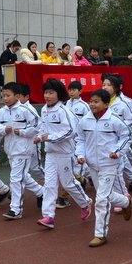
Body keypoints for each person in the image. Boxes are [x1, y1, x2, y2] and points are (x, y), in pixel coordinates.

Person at [76, 89, 132, 247]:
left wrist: (117, 151)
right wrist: (80, 154)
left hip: (109, 164)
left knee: (101, 199)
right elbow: (80, 139)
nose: (92, 104)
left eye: (96, 102)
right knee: (106, 195)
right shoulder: (85, 120)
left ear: (106, 104)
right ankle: (125, 202)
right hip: (92, 165)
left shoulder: (114, 119)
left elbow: (127, 136)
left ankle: (100, 234)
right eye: (91, 101)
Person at [34, 79, 93, 229]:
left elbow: (70, 131)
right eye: (46, 92)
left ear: (58, 94)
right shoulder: (44, 110)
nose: (47, 96)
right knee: (49, 185)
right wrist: (39, 137)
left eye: (51, 93)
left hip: (65, 154)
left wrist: (50, 137)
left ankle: (86, 202)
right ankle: (48, 216)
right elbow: (43, 128)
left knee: (68, 183)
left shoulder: (63, 111)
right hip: (50, 154)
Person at [0, 82, 45, 219]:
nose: (5, 98)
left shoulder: (25, 110)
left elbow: (38, 125)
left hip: (23, 150)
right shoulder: (1, 112)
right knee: (23, 176)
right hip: (10, 150)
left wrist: (23, 132)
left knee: (16, 178)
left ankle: (16, 209)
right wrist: (3, 130)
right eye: (3, 95)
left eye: (8, 95)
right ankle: (41, 192)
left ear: (17, 96)